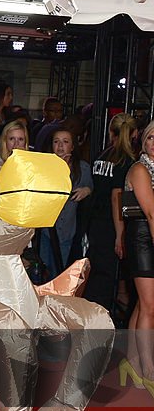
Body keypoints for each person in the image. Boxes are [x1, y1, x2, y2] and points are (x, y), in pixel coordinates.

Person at [84, 113, 137, 316]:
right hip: (110, 224)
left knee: (95, 272)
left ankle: (89, 317)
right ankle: (99, 321)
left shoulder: (101, 156)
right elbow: (117, 197)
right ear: (135, 134)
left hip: (95, 221)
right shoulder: (126, 161)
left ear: (110, 131)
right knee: (105, 276)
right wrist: (120, 233)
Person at [120, 122, 154, 397]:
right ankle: (148, 370)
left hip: (146, 235)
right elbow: (151, 213)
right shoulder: (140, 169)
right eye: (151, 136)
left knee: (142, 305)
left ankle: (131, 364)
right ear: (143, 141)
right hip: (144, 237)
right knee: (150, 306)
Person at [38, 128, 92, 275]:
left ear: (73, 146)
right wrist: (58, 167)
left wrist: (87, 190)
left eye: (65, 142)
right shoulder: (44, 166)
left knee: (62, 272)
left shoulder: (82, 168)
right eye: (56, 142)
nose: (60, 146)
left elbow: (93, 192)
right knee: (44, 270)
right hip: (46, 230)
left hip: (69, 230)